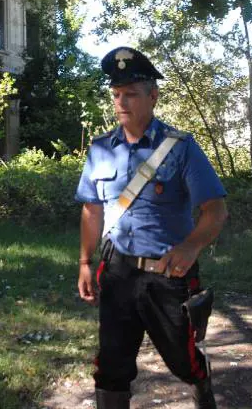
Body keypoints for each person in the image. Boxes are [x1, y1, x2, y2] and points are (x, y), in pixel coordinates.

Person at [75, 46, 228, 409]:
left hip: (168, 275)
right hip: (117, 271)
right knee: (111, 366)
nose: (121, 102)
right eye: (116, 94)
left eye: (130, 93)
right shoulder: (100, 149)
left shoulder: (180, 148)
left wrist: (191, 246)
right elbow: (91, 210)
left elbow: (215, 210)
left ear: (153, 96)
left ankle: (201, 387)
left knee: (183, 360)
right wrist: (84, 262)